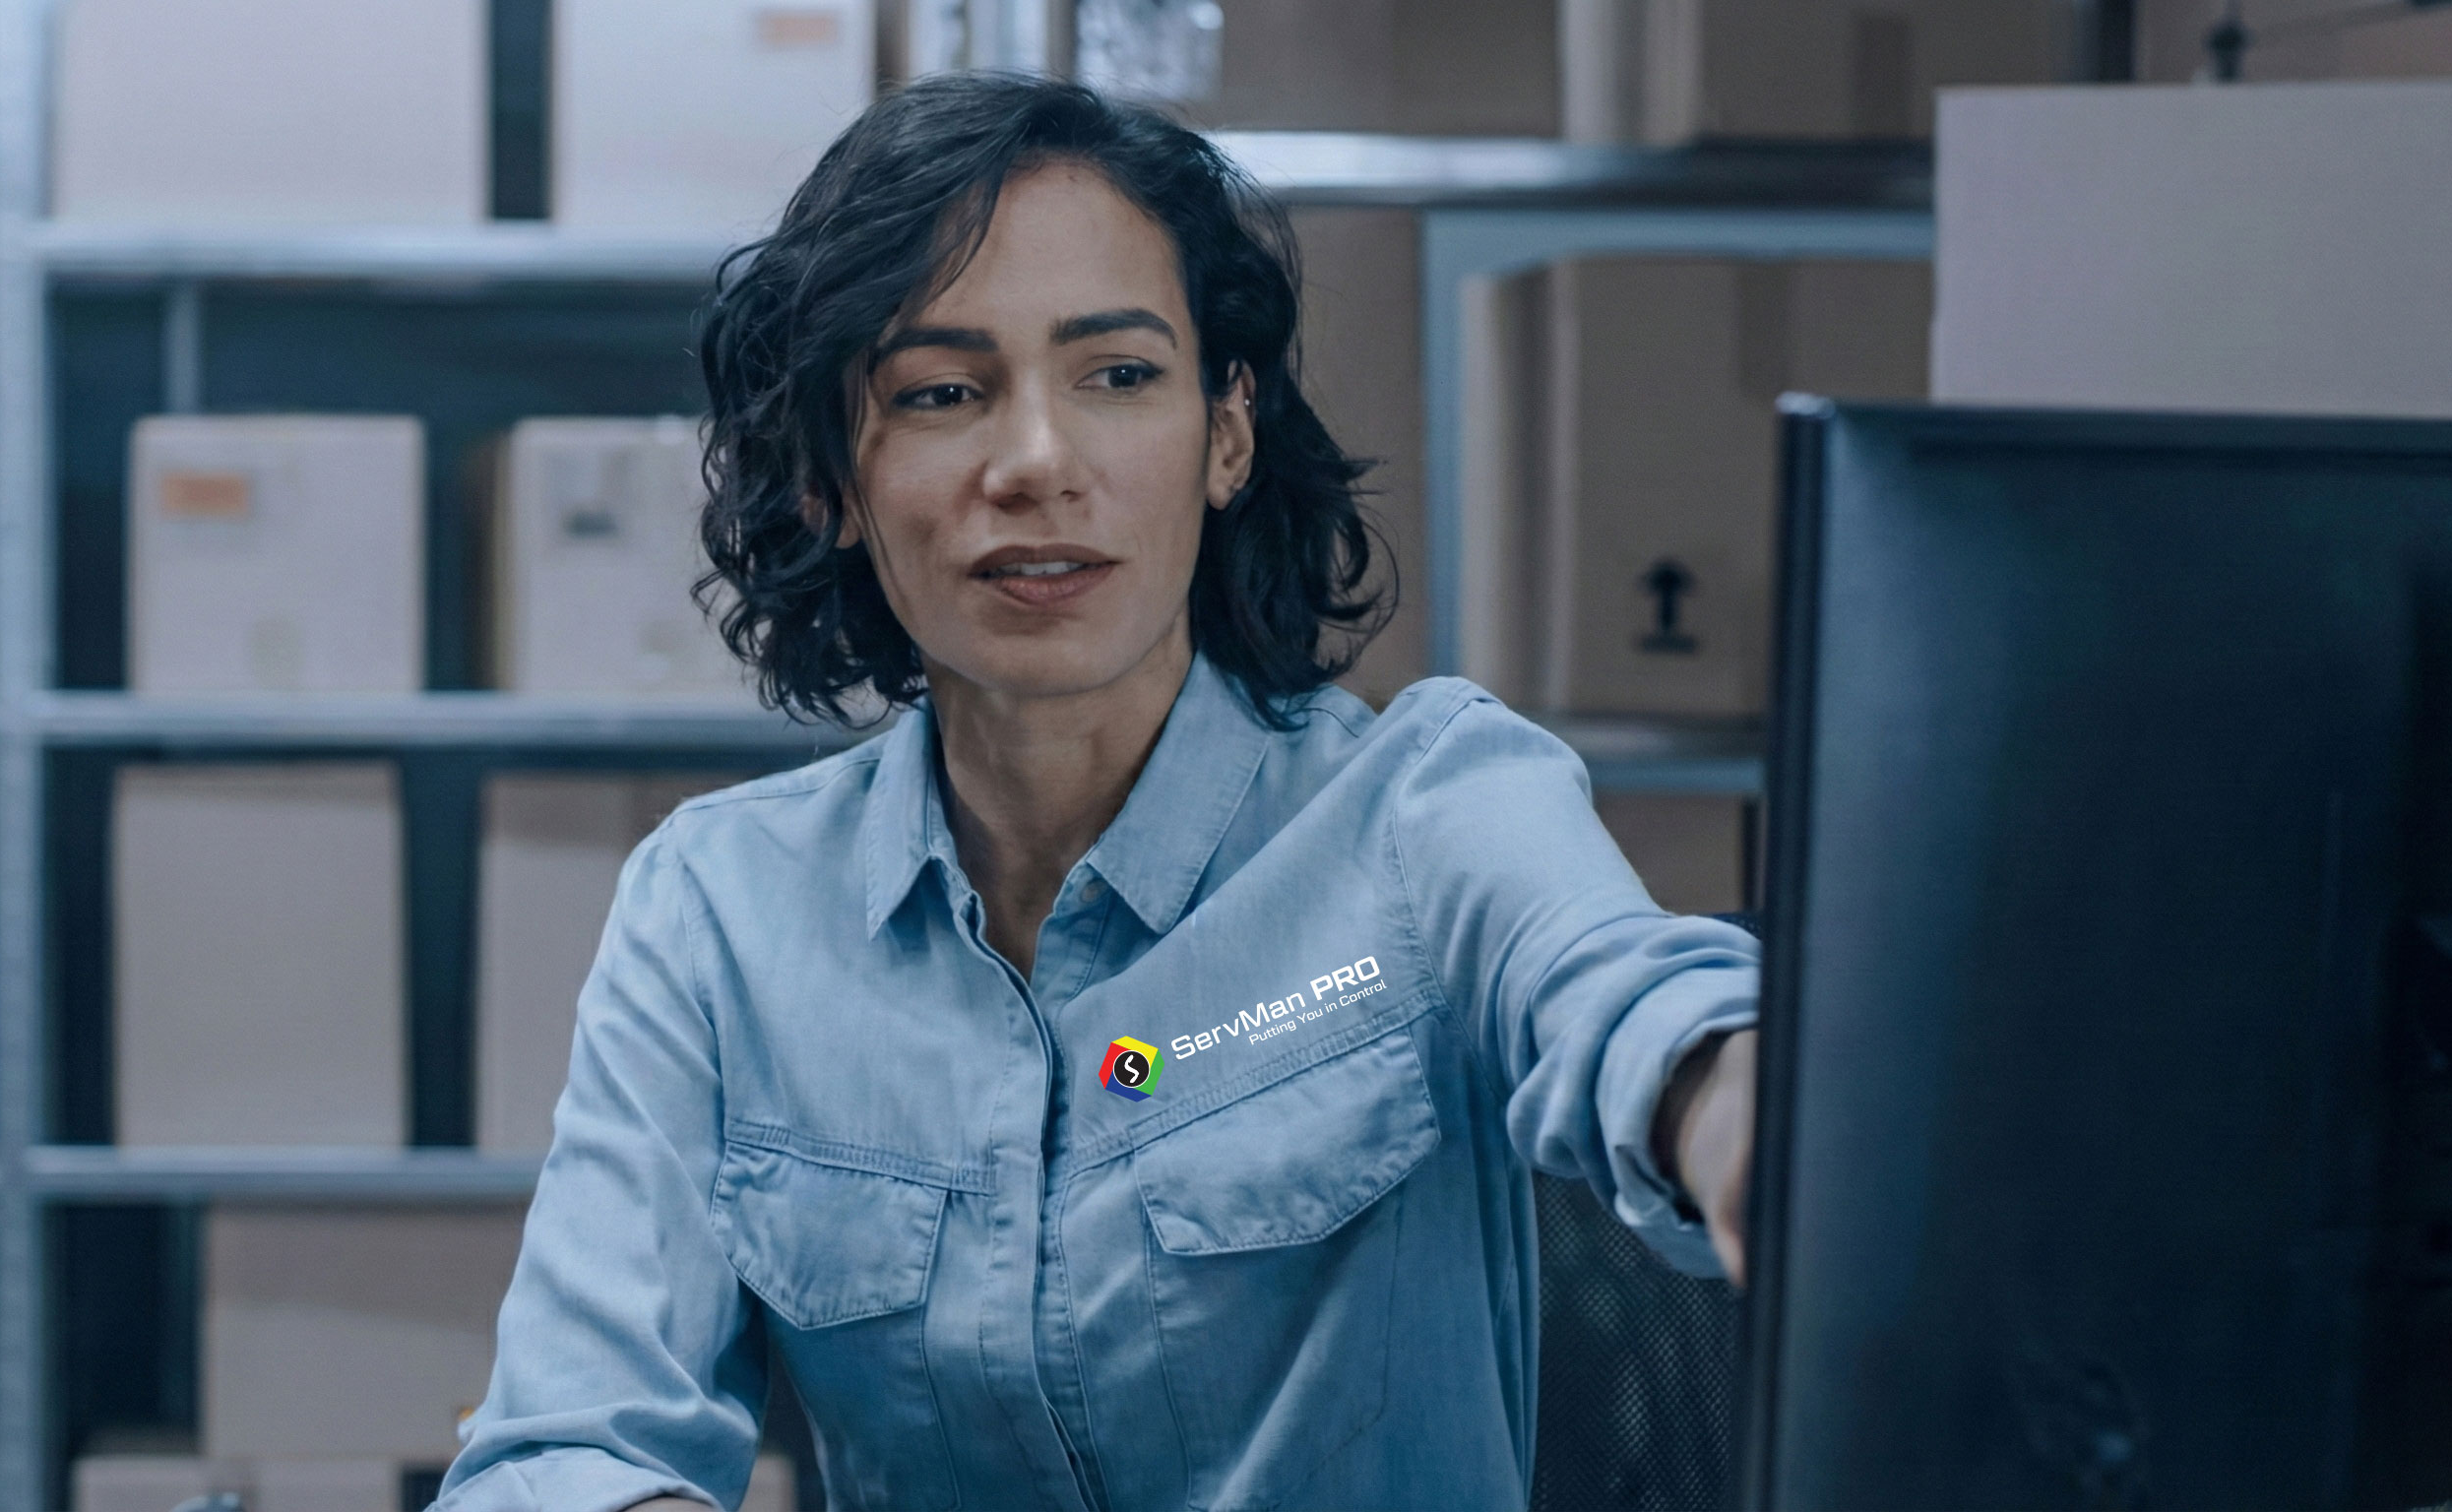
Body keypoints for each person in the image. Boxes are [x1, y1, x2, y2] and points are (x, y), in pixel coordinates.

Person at [434, 72, 1760, 1512]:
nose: (1037, 464)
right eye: (943, 392)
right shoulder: (722, 914)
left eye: (1118, 375)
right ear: (829, 476)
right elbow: (567, 1443)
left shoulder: (1426, 808)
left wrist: (1736, 1104)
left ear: (1228, 434)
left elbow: (1625, 997)